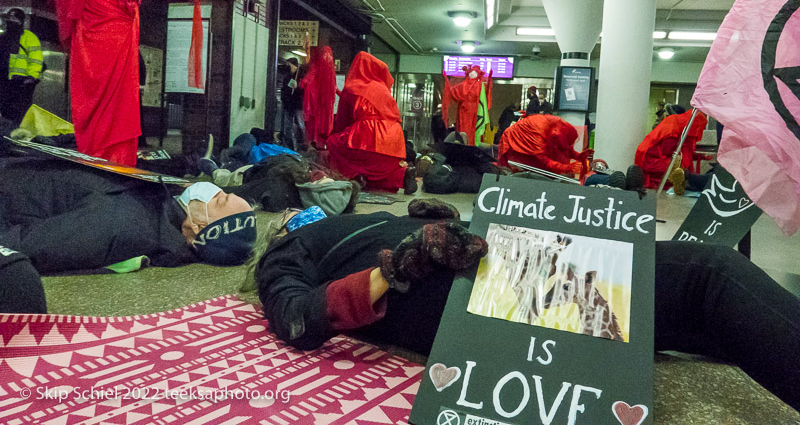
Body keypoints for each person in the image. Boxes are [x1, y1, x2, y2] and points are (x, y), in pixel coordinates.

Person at [254, 207, 800, 413]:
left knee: (692, 313)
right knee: (706, 280)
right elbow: (297, 318)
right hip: (474, 292)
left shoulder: (337, 220)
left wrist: (425, 224)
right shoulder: (283, 252)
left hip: (495, 267)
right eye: (223, 199)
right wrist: (396, 266)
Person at [52, 0, 238, 167]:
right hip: (116, 18)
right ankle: (112, 162)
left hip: (87, 20)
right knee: (116, 97)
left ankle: (91, 155)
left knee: (92, 92)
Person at [0, 155, 256, 274]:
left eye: (220, 198)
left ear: (200, 226)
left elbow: (24, 245)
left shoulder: (121, 226)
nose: (214, 190)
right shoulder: (160, 207)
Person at [327, 52, 415, 194]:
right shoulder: (382, 88)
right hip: (395, 141)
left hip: (368, 136)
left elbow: (343, 121)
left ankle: (352, 178)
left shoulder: (352, 87)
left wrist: (332, 134)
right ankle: (402, 175)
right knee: (381, 165)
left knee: (334, 143)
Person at [635, 107, 708, 189]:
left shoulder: (677, 123)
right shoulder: (674, 126)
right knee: (680, 165)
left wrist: (698, 156)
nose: (701, 129)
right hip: (650, 158)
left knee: (683, 161)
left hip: (653, 154)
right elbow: (667, 151)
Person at [497, 114, 589, 176]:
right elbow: (541, 158)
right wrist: (566, 167)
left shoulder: (558, 127)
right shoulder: (540, 129)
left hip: (533, 148)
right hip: (516, 148)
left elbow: (563, 145)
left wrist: (578, 156)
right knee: (526, 174)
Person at [0, 8, 43, 124]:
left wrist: (31, 77)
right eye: (10, 20)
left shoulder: (29, 38)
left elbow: (36, 60)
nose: (11, 23)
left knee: (20, 114)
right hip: (5, 82)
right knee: (6, 111)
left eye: (14, 20)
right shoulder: (3, 37)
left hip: (21, 82)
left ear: (21, 21)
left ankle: (18, 136)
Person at [442, 65, 492, 145]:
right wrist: (446, 81)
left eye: (475, 72)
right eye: (471, 72)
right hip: (464, 111)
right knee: (464, 129)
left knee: (474, 129)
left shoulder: (480, 85)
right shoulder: (463, 84)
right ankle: (464, 144)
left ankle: (471, 144)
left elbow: (485, 95)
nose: (472, 74)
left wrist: (489, 80)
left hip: (475, 111)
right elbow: (453, 91)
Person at [302, 46, 338, 149]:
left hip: (321, 105)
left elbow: (308, 81)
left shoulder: (318, 67)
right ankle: (320, 143)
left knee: (317, 125)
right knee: (320, 124)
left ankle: (317, 142)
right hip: (321, 105)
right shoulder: (327, 69)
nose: (326, 58)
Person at [279, 57, 305, 151]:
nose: (288, 67)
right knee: (288, 126)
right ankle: (290, 146)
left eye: (289, 65)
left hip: (297, 104)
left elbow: (304, 91)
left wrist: (298, 88)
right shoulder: (287, 77)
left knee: (300, 125)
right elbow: (284, 89)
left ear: (294, 66)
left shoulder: (300, 76)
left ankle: (302, 145)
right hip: (288, 104)